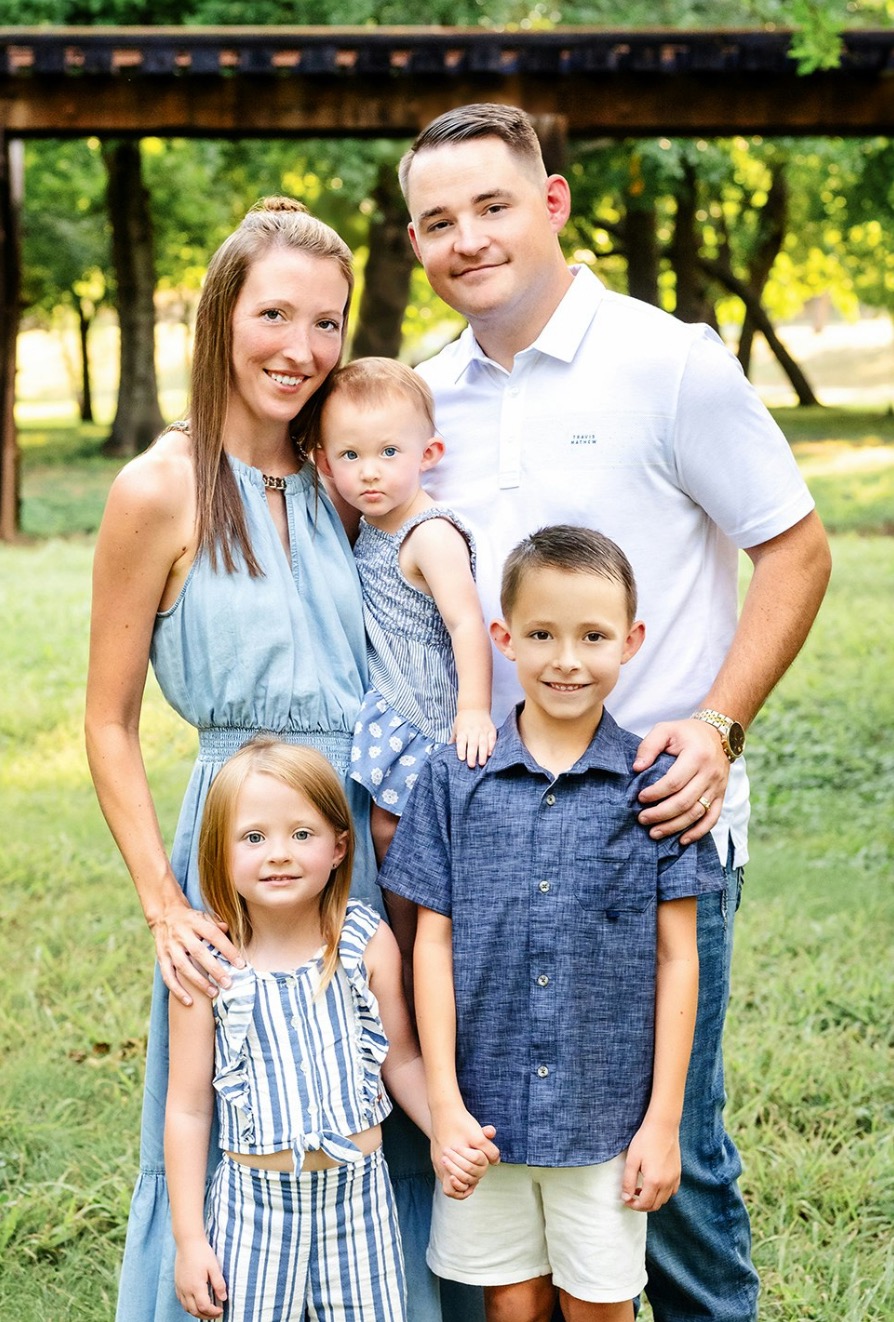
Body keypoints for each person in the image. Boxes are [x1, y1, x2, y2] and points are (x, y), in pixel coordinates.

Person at [397, 104, 833, 1321]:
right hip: (488, 833)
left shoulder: (669, 361)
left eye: (493, 205)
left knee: (667, 1151)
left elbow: (796, 549)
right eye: (438, 220)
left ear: (552, 204)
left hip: (651, 821)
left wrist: (719, 724)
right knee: (503, 1137)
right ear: (416, 243)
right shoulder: (425, 401)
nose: (468, 239)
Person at [85, 198, 454, 1322]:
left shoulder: (344, 478)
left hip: (366, 825)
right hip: (238, 840)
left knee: (380, 1088)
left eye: (328, 322)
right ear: (221, 317)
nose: (303, 348)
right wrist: (164, 903)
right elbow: (107, 720)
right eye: (275, 315)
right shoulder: (161, 488)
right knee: (226, 1100)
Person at [380, 525, 725, 1321]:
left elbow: (679, 960)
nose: (567, 659)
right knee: (512, 1303)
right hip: (485, 1112)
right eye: (541, 635)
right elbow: (431, 947)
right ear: (504, 638)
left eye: (593, 637)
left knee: (599, 1303)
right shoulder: (452, 781)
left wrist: (663, 1124)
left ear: (631, 642)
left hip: (605, 1117)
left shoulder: (657, 789)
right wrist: (444, 1106)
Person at [165, 738, 495, 1322]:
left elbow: (401, 1060)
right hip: (253, 1211)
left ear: (339, 847)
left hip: (358, 1203)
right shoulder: (208, 966)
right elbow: (188, 1110)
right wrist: (190, 1242)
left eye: (302, 834)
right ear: (219, 852)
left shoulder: (364, 940)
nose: (279, 855)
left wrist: (446, 1130)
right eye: (253, 837)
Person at [315, 356, 495, 865]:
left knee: (401, 830)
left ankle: (423, 920)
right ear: (326, 464)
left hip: (432, 711)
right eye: (350, 455)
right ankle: (404, 918)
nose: (369, 471)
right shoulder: (373, 522)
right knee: (384, 828)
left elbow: (465, 623)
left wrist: (473, 710)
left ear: (428, 454)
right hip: (394, 699)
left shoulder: (429, 533)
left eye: (390, 452)